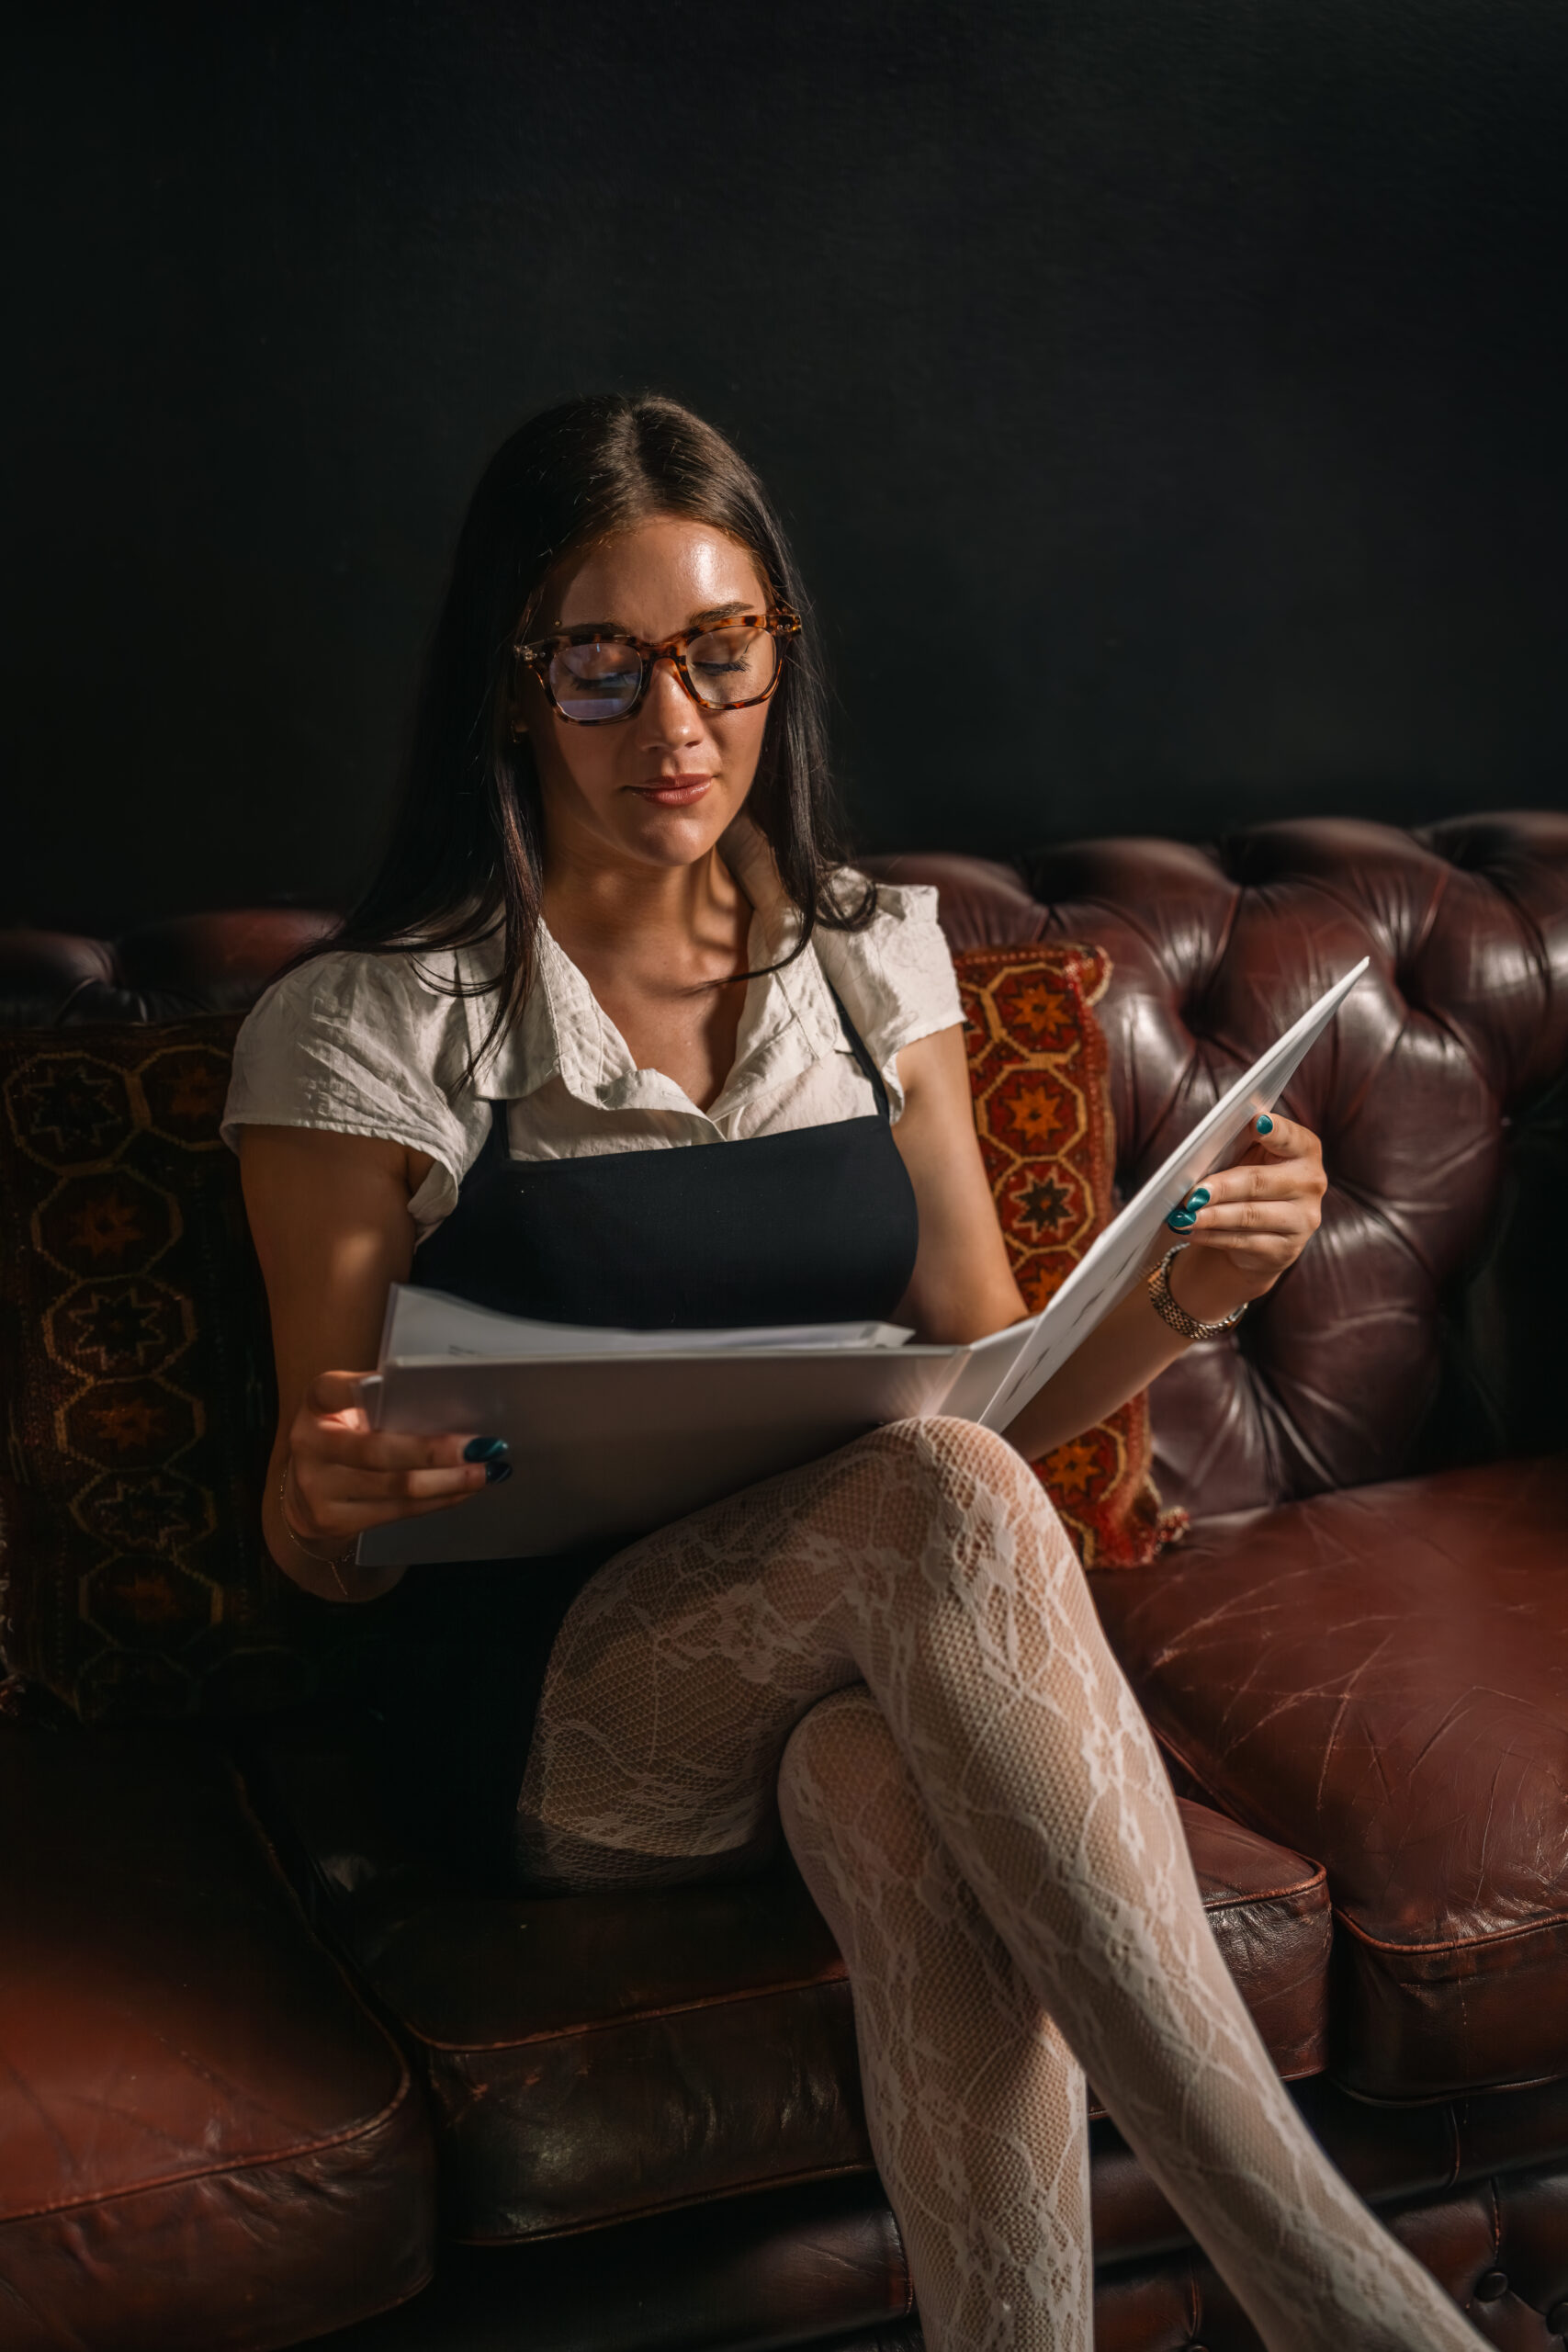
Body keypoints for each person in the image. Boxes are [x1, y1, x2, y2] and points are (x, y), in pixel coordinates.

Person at [225, 394, 1483, 2352]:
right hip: (544, 1725)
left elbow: (979, 1381)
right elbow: (321, 1535)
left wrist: (1180, 1289)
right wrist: (326, 1501)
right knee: (934, 1503)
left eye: (719, 655)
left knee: (887, 1763)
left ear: (773, 654)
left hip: (840, 1668)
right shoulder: (367, 1027)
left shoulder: (865, 958)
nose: (674, 729)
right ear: (508, 680)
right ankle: (1329, 2286)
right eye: (601, 666)